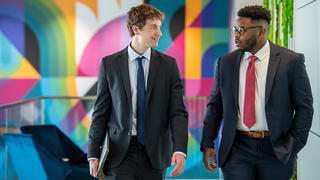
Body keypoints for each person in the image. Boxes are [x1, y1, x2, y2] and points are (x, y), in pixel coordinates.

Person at [200, 5, 313, 180]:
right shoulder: (226, 63)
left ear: (261, 32)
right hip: (237, 148)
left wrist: (292, 146)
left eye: (242, 30)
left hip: (276, 149)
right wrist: (207, 143)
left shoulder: (291, 61)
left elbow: (305, 108)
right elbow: (215, 105)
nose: (236, 35)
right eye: (235, 29)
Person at [87, 3, 188, 180]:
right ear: (136, 29)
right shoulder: (110, 64)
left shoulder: (169, 65)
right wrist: (93, 154)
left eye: (159, 27)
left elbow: (178, 112)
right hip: (119, 154)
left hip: (155, 154)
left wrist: (180, 150)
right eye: (153, 27)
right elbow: (100, 113)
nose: (160, 33)